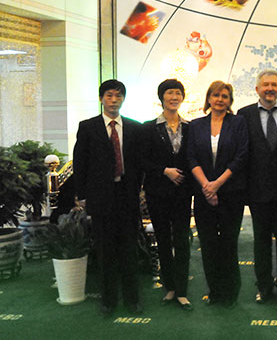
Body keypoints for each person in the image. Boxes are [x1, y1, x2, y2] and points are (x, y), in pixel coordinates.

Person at [73, 79, 143, 317]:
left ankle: (133, 299)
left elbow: (139, 163)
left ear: (123, 99)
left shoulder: (134, 127)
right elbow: (80, 163)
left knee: (129, 248)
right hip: (101, 196)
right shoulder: (88, 127)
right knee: (105, 250)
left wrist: (139, 189)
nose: (114, 100)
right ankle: (108, 300)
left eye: (118, 96)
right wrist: (82, 196)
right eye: (110, 96)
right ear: (101, 98)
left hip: (127, 195)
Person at [237, 69, 277, 303]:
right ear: (257, 89)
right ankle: (263, 285)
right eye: (265, 85)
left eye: (274, 84)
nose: (270, 88)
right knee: (261, 241)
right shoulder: (244, 115)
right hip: (257, 191)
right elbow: (242, 155)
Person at [187, 81, 248, 308]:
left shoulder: (238, 122)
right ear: (209, 98)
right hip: (203, 194)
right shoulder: (195, 125)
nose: (220, 99)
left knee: (228, 244)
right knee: (209, 244)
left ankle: (231, 292)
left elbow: (241, 156)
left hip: (231, 193)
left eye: (224, 96)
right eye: (216, 95)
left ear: (230, 100)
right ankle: (215, 291)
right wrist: (207, 186)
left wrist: (217, 184)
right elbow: (191, 157)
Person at [142, 79, 193, 311]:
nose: (174, 97)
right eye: (169, 93)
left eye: (178, 93)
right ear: (162, 97)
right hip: (157, 192)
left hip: (183, 192)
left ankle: (182, 290)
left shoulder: (190, 127)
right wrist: (165, 171)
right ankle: (169, 287)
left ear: (182, 97)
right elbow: (143, 159)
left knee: (182, 240)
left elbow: (193, 158)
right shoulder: (149, 128)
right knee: (163, 239)